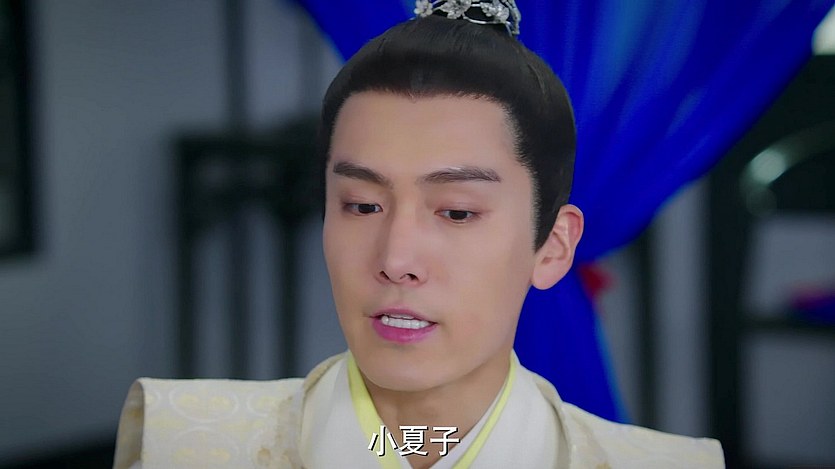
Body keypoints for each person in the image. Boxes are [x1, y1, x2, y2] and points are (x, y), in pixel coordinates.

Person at [114, 1, 724, 467]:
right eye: (361, 205)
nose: (396, 258)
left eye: (456, 212)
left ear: (553, 246)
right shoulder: (188, 444)